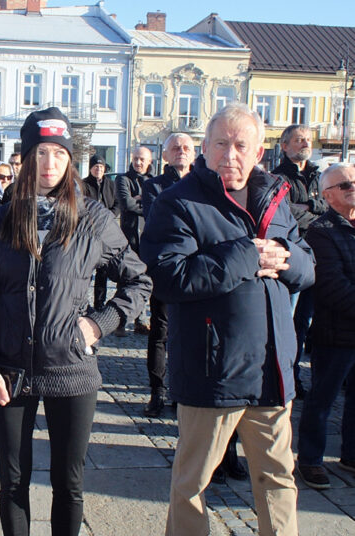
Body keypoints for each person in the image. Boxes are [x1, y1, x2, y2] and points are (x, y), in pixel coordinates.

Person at [0, 107, 151, 536]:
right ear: (26, 158)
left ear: (71, 161)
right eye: (41, 152)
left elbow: (140, 281)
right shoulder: (4, 218)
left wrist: (97, 325)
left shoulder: (94, 219)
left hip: (72, 370)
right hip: (9, 371)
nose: (50, 164)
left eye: (59, 154)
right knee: (13, 481)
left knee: (69, 485)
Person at [140, 103, 314, 536]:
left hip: (272, 370)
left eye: (240, 146)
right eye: (220, 144)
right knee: (192, 484)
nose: (229, 155)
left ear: (259, 153)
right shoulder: (178, 202)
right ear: (204, 148)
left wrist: (285, 260)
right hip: (211, 369)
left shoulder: (274, 195)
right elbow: (168, 277)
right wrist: (245, 255)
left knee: (277, 479)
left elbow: (307, 267)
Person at [297, 163, 355, 490]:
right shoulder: (322, 231)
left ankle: (351, 454)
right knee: (321, 400)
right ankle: (310, 459)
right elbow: (332, 286)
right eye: (345, 185)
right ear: (328, 195)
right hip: (334, 334)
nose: (353, 187)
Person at [140, 134, 194, 417]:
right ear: (165, 155)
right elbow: (156, 219)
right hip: (166, 266)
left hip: (197, 268)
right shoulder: (154, 186)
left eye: (186, 148)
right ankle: (157, 391)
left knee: (190, 332)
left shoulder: (204, 183)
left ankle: (182, 390)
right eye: (175, 148)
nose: (181, 152)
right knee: (160, 331)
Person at [272, 124, 326, 399]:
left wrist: (312, 207)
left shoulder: (316, 175)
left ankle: (302, 375)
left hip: (317, 257)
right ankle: (287, 376)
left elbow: (328, 205)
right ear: (284, 146)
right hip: (292, 257)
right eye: (298, 140)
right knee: (289, 323)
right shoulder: (279, 178)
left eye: (307, 139)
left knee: (307, 323)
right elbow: (286, 214)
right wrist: (313, 211)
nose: (305, 143)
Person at [115, 146, 153, 335]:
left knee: (146, 279)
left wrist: (141, 201)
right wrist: (145, 203)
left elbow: (158, 205)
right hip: (129, 237)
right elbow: (126, 203)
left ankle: (141, 320)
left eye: (142, 160)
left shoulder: (153, 181)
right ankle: (120, 321)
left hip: (149, 237)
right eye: (136, 158)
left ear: (149, 162)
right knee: (126, 278)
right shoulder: (123, 179)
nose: (138, 163)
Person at [82, 154, 118, 311]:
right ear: (91, 168)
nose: (98, 169)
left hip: (106, 231)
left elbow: (118, 203)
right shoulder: (83, 185)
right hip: (88, 230)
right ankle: (82, 302)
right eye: (96, 167)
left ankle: (100, 303)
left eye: (101, 167)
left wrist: (109, 216)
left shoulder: (111, 184)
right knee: (86, 269)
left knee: (103, 271)